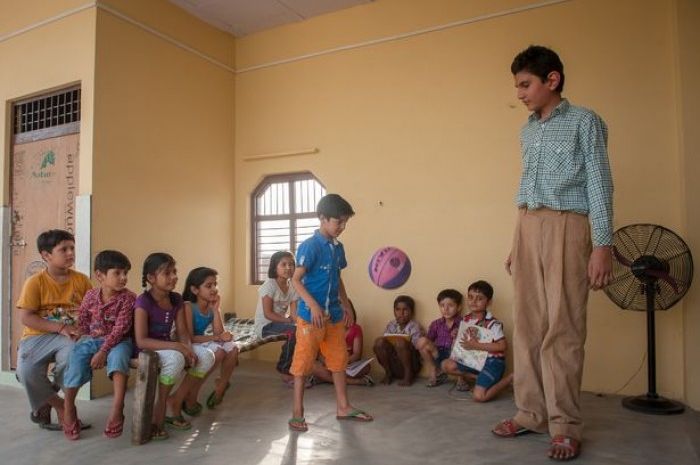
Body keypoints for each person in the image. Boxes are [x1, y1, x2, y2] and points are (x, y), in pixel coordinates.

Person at [493, 45, 614, 462]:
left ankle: (564, 425)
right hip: (528, 225)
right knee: (526, 325)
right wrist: (517, 242)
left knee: (563, 327)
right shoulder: (527, 130)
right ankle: (529, 413)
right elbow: (527, 189)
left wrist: (603, 244)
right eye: (518, 86)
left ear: (552, 80)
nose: (520, 93)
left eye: (525, 84)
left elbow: (599, 183)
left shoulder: (585, 122)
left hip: (569, 224)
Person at [288, 193, 373, 432]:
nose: (343, 227)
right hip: (310, 319)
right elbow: (296, 280)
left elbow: (338, 278)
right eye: (339, 222)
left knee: (338, 362)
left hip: (334, 317)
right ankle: (297, 413)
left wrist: (345, 304)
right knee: (303, 364)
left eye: (346, 222)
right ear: (323, 218)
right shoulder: (310, 246)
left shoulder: (338, 248)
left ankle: (343, 407)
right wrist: (313, 305)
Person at [15, 229, 92, 431]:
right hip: (38, 336)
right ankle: (60, 406)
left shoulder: (82, 280)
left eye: (72, 248)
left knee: (73, 361)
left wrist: (84, 329)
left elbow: (91, 311)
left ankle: (59, 405)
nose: (70, 253)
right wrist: (60, 327)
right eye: (63, 249)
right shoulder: (35, 282)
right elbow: (26, 317)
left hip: (71, 336)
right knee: (25, 372)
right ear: (46, 255)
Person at [133, 253, 215, 440]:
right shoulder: (143, 301)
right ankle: (159, 410)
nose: (174, 277)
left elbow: (183, 332)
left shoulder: (176, 299)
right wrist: (179, 347)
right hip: (147, 350)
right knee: (176, 357)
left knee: (206, 356)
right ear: (151, 278)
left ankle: (174, 401)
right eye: (167, 273)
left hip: (169, 347)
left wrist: (188, 347)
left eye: (175, 272)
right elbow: (141, 340)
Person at [62, 250, 136, 440]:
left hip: (119, 341)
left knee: (119, 356)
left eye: (125, 273)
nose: (123, 278)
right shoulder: (90, 295)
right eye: (117, 273)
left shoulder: (128, 298)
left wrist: (103, 351)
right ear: (100, 275)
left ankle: (118, 407)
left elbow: (120, 329)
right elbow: (84, 321)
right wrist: (81, 336)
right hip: (92, 339)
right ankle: (69, 406)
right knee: (77, 356)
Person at [442, 281, 513, 400]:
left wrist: (476, 345)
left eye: (479, 298)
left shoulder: (493, 323)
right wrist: (457, 334)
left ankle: (510, 378)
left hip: (492, 362)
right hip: (474, 360)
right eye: (470, 297)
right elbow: (464, 341)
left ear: (488, 302)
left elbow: (502, 346)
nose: (474, 301)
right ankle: (479, 377)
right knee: (446, 365)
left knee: (479, 397)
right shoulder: (466, 319)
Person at [181, 267, 239, 413]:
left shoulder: (210, 306)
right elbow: (190, 337)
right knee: (219, 352)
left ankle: (221, 385)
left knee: (232, 348)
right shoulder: (188, 307)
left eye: (215, 284)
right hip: (186, 343)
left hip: (199, 341)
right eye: (208, 286)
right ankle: (192, 394)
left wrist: (216, 310)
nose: (214, 289)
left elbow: (220, 333)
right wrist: (218, 337)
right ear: (194, 290)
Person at [253, 251, 300, 386]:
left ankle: (300, 369)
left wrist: (301, 323)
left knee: (302, 331)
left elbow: (294, 314)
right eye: (283, 264)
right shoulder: (269, 285)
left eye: (291, 264)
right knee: (293, 332)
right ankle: (284, 370)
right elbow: (268, 314)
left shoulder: (292, 286)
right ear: (275, 267)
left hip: (281, 323)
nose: (288, 268)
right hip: (265, 326)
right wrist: (289, 320)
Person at [312, 300, 374, 386]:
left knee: (367, 367)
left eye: (345, 312)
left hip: (348, 365)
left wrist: (343, 362)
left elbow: (357, 354)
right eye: (339, 312)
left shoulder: (355, 328)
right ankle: (354, 381)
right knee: (313, 366)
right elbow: (320, 354)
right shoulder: (327, 329)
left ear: (351, 313)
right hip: (330, 366)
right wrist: (328, 363)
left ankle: (325, 379)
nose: (342, 315)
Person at [373, 295, 423, 386]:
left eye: (405, 310)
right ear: (394, 311)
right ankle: (388, 373)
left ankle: (408, 376)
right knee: (379, 342)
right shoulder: (391, 324)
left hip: (411, 364)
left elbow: (417, 348)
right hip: (394, 364)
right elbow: (385, 342)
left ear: (412, 312)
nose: (401, 313)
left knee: (400, 342)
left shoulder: (415, 326)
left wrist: (403, 343)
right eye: (398, 309)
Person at [417, 289, 462, 387]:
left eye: (450, 305)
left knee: (458, 342)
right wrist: (422, 336)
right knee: (422, 341)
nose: (445, 309)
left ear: (458, 307)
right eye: (442, 306)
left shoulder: (463, 323)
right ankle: (434, 370)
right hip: (438, 354)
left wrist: (459, 334)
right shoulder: (436, 324)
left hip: (455, 356)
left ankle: (461, 378)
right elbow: (428, 341)